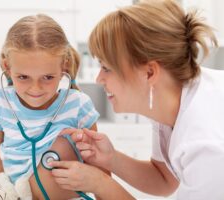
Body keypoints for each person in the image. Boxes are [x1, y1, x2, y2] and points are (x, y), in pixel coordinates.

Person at [49, 0, 224, 199]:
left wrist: (101, 184)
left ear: (149, 73)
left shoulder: (208, 148)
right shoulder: (170, 99)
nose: (99, 79)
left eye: (107, 68)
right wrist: (110, 159)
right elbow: (164, 180)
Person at [0, 14, 100, 200]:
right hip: (18, 195)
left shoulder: (78, 104)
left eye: (47, 77)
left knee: (62, 145)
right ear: (7, 67)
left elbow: (99, 167)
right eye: (23, 77)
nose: (35, 89)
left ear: (64, 66)